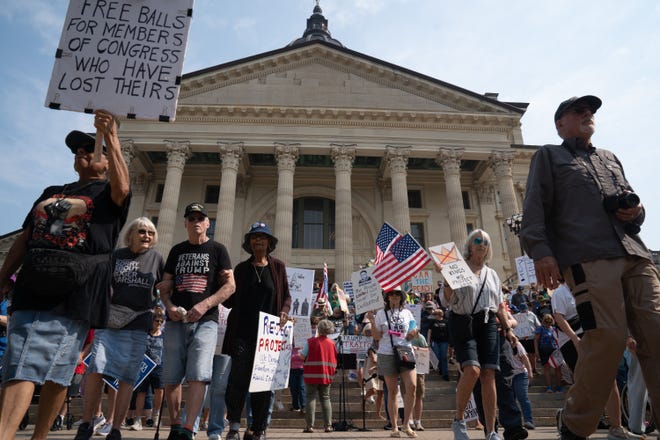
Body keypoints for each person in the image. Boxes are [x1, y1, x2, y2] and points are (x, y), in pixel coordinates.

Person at [520, 94, 660, 440]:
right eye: (578, 111)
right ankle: (575, 422)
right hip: (588, 257)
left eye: (591, 111)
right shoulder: (549, 156)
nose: (587, 115)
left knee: (657, 332)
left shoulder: (610, 158)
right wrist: (541, 252)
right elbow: (534, 207)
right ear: (560, 124)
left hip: (634, 253)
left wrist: (635, 212)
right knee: (608, 338)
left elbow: (634, 208)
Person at [0, 111, 130, 440]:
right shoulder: (52, 190)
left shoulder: (108, 196)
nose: (82, 153)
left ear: (107, 161)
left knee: (51, 369)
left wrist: (111, 138)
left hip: (75, 288)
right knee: (24, 362)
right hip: (33, 284)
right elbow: (26, 237)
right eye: (77, 150)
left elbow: (123, 186)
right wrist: (3, 276)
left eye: (91, 148)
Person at [73, 217, 163, 440]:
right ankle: (87, 422)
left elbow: (165, 285)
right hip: (110, 320)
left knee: (127, 377)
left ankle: (115, 428)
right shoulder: (117, 256)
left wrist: (165, 307)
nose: (146, 236)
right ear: (130, 234)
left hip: (138, 323)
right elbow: (102, 284)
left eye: (150, 233)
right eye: (141, 231)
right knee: (96, 368)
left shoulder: (157, 258)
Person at [157, 202, 236, 440]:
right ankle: (176, 425)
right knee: (171, 376)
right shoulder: (176, 251)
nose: (196, 222)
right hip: (175, 322)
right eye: (191, 219)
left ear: (208, 223)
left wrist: (204, 305)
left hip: (206, 321)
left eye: (200, 218)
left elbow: (230, 286)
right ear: (185, 223)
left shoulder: (218, 250)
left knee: (199, 374)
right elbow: (164, 286)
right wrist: (169, 307)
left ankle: (189, 428)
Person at [223, 222, 291, 440]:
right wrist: (221, 285)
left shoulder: (278, 267)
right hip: (242, 333)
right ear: (249, 242)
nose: (258, 241)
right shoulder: (241, 269)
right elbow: (231, 300)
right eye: (254, 237)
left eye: (262, 237)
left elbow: (287, 297)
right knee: (238, 381)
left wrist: (284, 311)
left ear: (269, 243)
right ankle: (234, 424)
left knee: (264, 385)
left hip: (267, 337)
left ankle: (257, 429)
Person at [443, 229, 512, 440]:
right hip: (464, 322)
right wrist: (447, 282)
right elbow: (449, 300)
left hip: (489, 322)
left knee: (489, 374)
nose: (481, 244)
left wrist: (508, 328)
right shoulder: (457, 268)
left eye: (485, 241)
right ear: (469, 246)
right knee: (472, 370)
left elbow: (499, 304)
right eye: (477, 241)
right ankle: (459, 420)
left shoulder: (492, 274)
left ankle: (491, 431)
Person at [367, 287, 418, 438]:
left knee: (412, 387)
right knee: (393, 391)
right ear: (387, 297)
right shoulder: (381, 314)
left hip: (405, 352)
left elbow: (415, 328)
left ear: (402, 297)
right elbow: (376, 337)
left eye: (397, 294)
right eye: (392, 294)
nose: (394, 296)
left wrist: (414, 332)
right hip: (387, 353)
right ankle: (395, 427)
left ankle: (407, 424)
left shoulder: (407, 312)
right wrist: (371, 320)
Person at [301, 319, 338, 433]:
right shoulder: (332, 344)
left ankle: (310, 426)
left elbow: (303, 357)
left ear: (318, 328)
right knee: (326, 399)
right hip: (326, 375)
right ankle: (328, 426)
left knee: (310, 398)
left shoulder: (310, 342)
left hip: (311, 375)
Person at [512, 302, 541, 374]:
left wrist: (535, 332)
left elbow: (538, 325)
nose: (523, 311)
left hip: (531, 338)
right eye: (522, 310)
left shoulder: (532, 315)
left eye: (524, 309)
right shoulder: (516, 316)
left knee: (532, 354)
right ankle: (526, 370)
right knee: (524, 354)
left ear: (527, 309)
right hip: (521, 339)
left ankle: (534, 369)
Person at [427, 307, 450, 381]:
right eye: (434, 314)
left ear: (440, 314)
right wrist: (428, 341)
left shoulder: (446, 322)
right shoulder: (432, 322)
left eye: (436, 314)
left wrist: (450, 342)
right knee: (437, 356)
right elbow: (429, 331)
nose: (435, 315)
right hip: (435, 341)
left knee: (443, 357)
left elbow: (449, 332)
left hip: (444, 342)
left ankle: (445, 374)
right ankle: (441, 369)